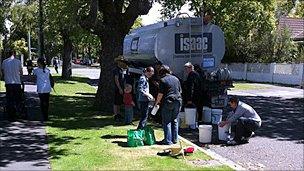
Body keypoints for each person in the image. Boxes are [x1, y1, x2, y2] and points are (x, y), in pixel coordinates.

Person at [155, 65, 182, 145]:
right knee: (175, 120)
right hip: (178, 101)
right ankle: (175, 139)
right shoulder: (176, 79)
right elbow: (180, 91)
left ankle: (167, 140)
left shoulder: (163, 80)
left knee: (167, 121)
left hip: (168, 101)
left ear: (161, 72)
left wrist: (156, 103)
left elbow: (160, 94)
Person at [1, 49, 23, 121]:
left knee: (10, 99)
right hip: (17, 82)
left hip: (8, 82)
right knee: (17, 99)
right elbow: (21, 72)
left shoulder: (4, 62)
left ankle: (10, 114)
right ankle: (17, 113)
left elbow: (3, 71)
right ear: (14, 54)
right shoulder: (18, 61)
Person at [113, 56, 128, 122]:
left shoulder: (122, 70)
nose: (122, 63)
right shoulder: (116, 69)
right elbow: (116, 80)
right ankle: (116, 115)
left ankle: (119, 114)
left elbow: (124, 80)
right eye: (121, 61)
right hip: (118, 88)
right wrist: (119, 88)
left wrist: (124, 87)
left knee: (120, 102)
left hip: (122, 88)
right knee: (116, 102)